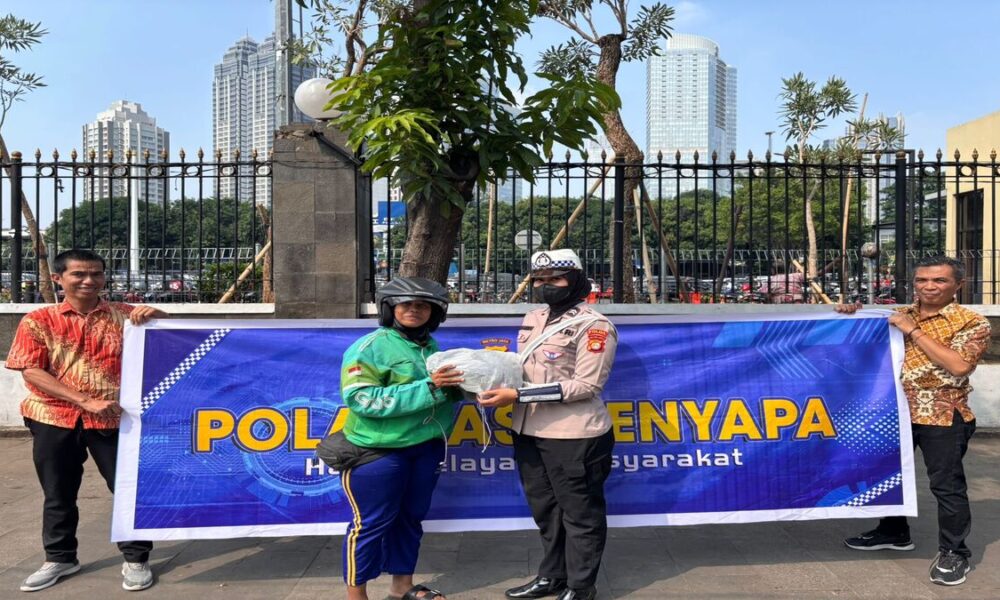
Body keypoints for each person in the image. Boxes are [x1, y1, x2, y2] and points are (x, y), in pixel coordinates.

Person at [6, 249, 167, 593]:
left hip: (115, 420)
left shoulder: (127, 316)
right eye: (78, 274)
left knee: (127, 490)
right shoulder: (38, 321)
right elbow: (30, 370)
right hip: (53, 417)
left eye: (96, 273)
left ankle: (136, 558)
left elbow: (173, 339)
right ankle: (60, 557)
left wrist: (160, 315)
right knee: (58, 492)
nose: (88, 281)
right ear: (58, 278)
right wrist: (84, 400)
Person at [836, 256, 991, 586]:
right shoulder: (898, 314)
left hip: (942, 415)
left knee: (946, 486)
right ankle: (893, 531)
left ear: (958, 285)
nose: (929, 287)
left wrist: (914, 331)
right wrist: (850, 314)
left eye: (939, 280)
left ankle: (954, 552)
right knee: (888, 475)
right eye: (922, 280)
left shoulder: (971, 322)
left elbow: (959, 366)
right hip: (893, 412)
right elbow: (857, 338)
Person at [478, 249, 617, 600]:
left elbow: (587, 385)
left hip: (574, 435)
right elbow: (525, 369)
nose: (546, 286)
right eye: (539, 280)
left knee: (580, 513)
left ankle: (581, 587)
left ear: (575, 281)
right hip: (528, 430)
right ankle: (553, 576)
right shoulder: (534, 316)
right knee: (545, 509)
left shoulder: (594, 325)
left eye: (555, 279)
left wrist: (517, 396)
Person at [338, 276, 465, 600]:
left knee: (410, 519)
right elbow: (362, 400)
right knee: (370, 524)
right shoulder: (370, 347)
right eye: (405, 304)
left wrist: (469, 386)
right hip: (379, 452)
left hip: (425, 449)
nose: (414, 310)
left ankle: (402, 588)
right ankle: (357, 596)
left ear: (434, 313)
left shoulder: (431, 348)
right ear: (389, 308)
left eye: (423, 305)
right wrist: (430, 387)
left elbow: (441, 396)